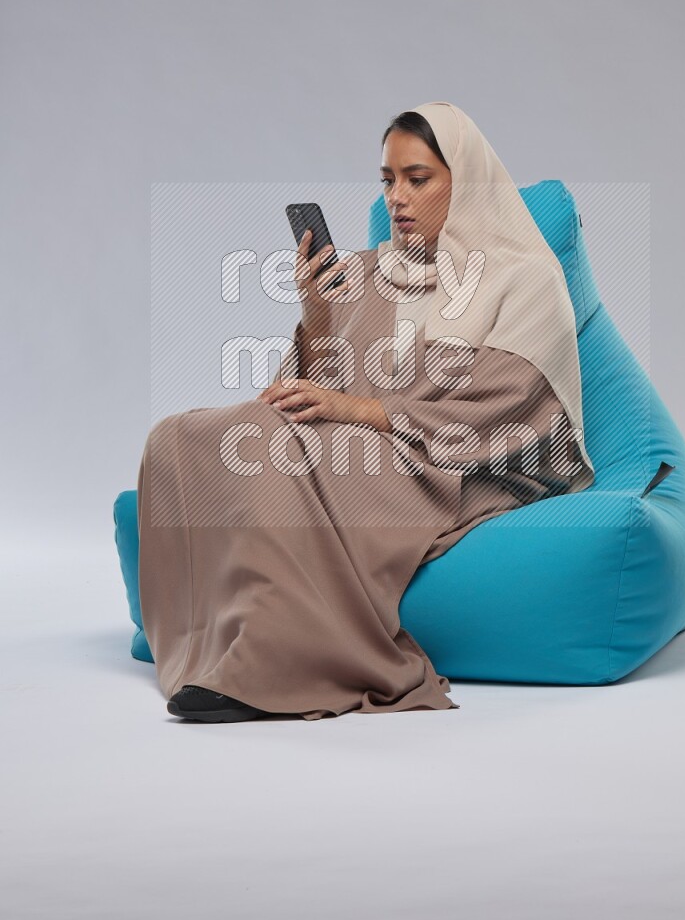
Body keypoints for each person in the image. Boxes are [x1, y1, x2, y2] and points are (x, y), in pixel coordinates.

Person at [136, 101, 595, 723]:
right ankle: (204, 644)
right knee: (180, 437)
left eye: (418, 178)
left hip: (456, 464)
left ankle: (275, 666)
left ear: (466, 181)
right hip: (377, 439)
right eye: (387, 181)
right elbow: (320, 391)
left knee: (278, 454)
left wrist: (353, 407)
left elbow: (505, 413)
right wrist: (317, 314)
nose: (397, 198)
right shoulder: (375, 272)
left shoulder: (526, 278)